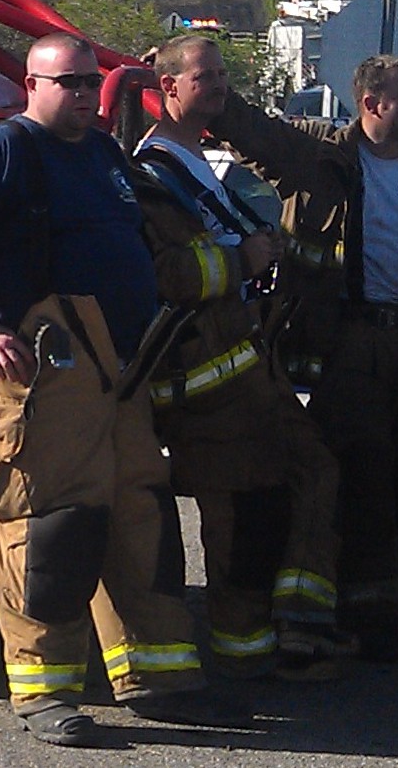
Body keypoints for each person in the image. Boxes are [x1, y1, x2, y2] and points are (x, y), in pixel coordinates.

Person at [0, 33, 236, 747]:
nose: (86, 95)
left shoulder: (100, 153)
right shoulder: (0, 151)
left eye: (92, 83)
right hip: (38, 372)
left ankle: (158, 675)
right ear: (32, 83)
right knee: (48, 527)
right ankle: (44, 691)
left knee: (136, 514)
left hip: (115, 369)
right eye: (69, 84)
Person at [134, 34, 348, 679]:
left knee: (312, 471)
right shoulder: (152, 174)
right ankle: (245, 649)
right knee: (238, 512)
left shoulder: (199, 159)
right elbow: (164, 276)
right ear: (168, 88)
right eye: (208, 76)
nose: (221, 86)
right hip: (201, 376)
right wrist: (244, 259)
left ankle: (299, 625)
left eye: (224, 74)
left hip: (249, 363)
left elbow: (302, 169)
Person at [210, 53, 398, 661]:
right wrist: (198, 82)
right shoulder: (319, 156)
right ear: (372, 104)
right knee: (362, 471)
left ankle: (394, 599)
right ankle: (366, 611)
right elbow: (250, 130)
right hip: (349, 341)